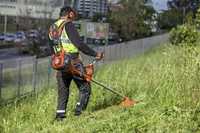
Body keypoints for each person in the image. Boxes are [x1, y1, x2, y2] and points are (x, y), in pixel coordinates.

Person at [48, 6, 103, 121]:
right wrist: (95, 54)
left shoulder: (53, 27)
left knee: (63, 90)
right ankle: (79, 113)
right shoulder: (68, 24)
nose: (74, 17)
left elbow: (52, 47)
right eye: (73, 14)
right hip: (73, 62)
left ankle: (60, 117)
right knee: (85, 87)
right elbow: (79, 44)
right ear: (70, 14)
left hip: (60, 63)